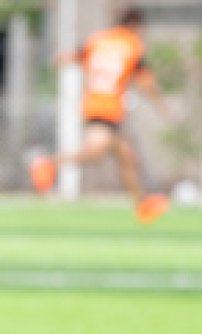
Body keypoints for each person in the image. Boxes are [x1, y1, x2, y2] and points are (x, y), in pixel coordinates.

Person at [29, 8, 173, 224]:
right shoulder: (132, 45)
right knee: (95, 152)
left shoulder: (98, 40)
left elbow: (70, 56)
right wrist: (162, 107)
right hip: (109, 107)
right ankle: (47, 163)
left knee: (127, 157)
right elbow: (145, 82)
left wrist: (55, 62)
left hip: (93, 103)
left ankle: (142, 205)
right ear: (134, 24)